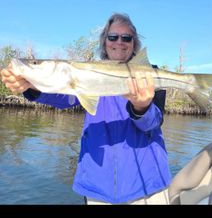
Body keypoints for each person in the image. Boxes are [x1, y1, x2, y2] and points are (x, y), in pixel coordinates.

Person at [1, 13, 172, 204]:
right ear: (104, 42)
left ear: (134, 43)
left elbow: (154, 123)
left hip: (148, 185)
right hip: (96, 187)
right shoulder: (85, 74)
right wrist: (30, 86)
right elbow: (64, 96)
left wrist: (142, 107)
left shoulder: (150, 75)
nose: (119, 42)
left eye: (126, 38)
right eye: (113, 37)